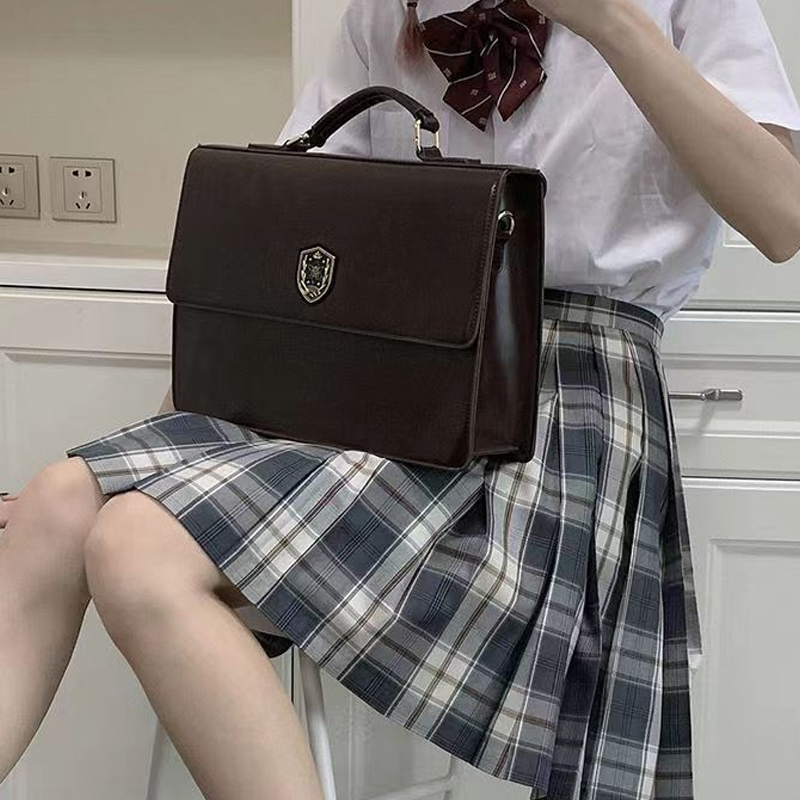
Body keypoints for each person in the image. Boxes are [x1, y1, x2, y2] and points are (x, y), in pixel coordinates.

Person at [1, 1, 799, 798]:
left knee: (137, 543)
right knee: (57, 503)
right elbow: (283, 236)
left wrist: (612, 23)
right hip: (380, 375)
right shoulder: (385, 14)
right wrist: (156, 453)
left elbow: (782, 217)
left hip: (559, 413)